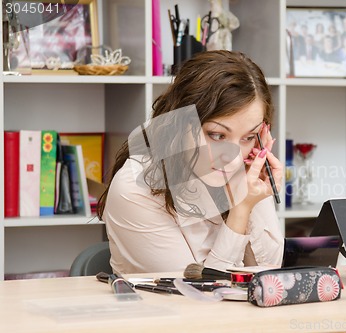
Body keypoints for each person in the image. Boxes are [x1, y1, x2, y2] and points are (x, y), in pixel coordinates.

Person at [97, 50, 284, 274]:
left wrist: (250, 197)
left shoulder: (243, 166)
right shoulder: (135, 187)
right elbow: (198, 295)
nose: (234, 158)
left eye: (249, 137)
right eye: (217, 135)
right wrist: (241, 210)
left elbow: (271, 271)